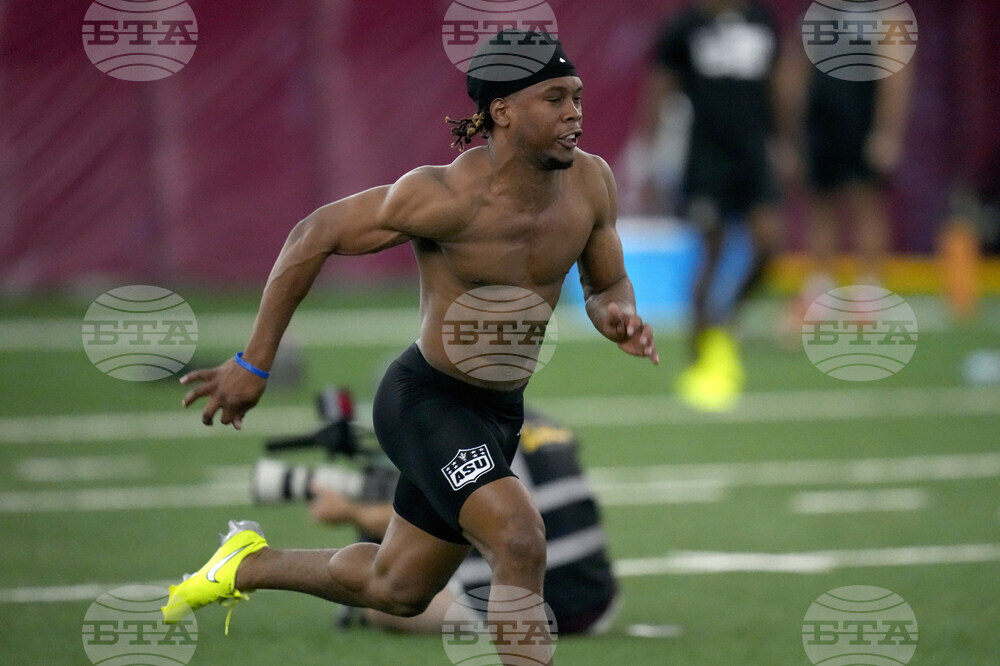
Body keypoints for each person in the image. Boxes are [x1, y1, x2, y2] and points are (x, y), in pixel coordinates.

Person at [161, 30, 657, 665]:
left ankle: (246, 565)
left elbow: (605, 280)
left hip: (499, 413)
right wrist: (254, 360)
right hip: (427, 402)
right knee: (520, 539)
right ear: (502, 111)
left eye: (578, 97)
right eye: (555, 98)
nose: (575, 114)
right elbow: (313, 235)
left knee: (396, 588)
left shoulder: (593, 183)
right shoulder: (445, 196)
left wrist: (618, 313)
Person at [308, 408, 620, 635]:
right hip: (597, 598)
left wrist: (350, 511)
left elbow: (424, 524)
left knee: (387, 600)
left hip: (539, 604)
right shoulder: (538, 417)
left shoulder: (464, 433)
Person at [636, 0, 790, 411]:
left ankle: (727, 317)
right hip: (706, 156)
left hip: (753, 153)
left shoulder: (760, 20)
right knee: (711, 252)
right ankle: (698, 354)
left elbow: (778, 83)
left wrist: (785, 142)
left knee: (769, 242)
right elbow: (661, 87)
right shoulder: (686, 25)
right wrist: (648, 155)